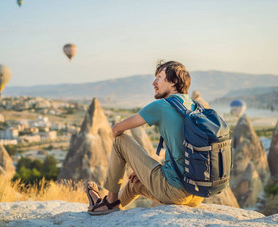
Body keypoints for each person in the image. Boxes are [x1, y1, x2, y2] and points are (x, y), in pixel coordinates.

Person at [87, 60, 204, 215]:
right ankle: (108, 208)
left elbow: (116, 130)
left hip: (174, 192)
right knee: (134, 184)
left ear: (173, 82)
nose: (154, 83)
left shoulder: (162, 105)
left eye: (159, 77)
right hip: (197, 195)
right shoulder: (195, 107)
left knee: (120, 140)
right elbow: (184, 153)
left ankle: (110, 201)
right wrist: (144, 170)